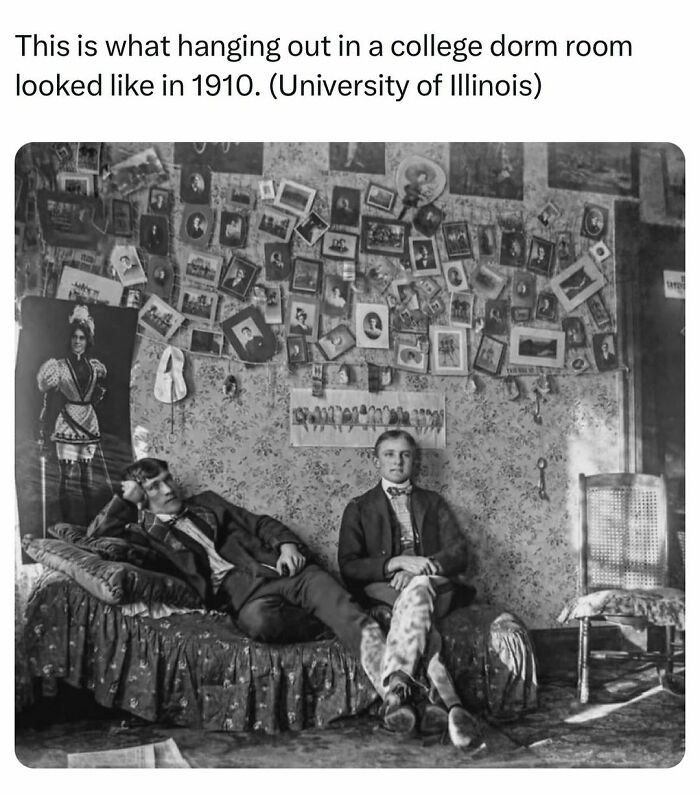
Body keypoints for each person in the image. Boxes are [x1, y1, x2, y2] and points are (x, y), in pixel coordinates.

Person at [88, 457, 388, 695]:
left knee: (336, 601)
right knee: (261, 623)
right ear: (141, 495)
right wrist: (124, 501)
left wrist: (286, 546)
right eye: (154, 486)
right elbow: (95, 542)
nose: (168, 489)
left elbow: (259, 523)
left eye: (168, 480)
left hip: (285, 571)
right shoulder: (143, 535)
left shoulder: (208, 503)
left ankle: (393, 685)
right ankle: (337, 621)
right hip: (244, 597)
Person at [338, 430, 478, 748]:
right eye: (389, 454)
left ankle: (396, 689)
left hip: (433, 584)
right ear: (377, 460)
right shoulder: (358, 507)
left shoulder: (434, 502)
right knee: (424, 621)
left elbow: (458, 553)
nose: (397, 461)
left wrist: (421, 565)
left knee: (419, 587)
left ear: (413, 460)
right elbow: (348, 565)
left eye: (404, 454)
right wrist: (395, 564)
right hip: (385, 588)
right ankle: (446, 704)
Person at [37, 305, 107, 525]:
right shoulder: (57, 367)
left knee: (87, 476)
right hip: (68, 423)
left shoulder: (95, 367)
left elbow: (95, 394)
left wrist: (97, 396)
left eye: (82, 338)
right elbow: (48, 401)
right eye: (74, 337)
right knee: (66, 476)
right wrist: (43, 428)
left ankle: (89, 521)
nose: (78, 341)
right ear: (69, 340)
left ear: (88, 341)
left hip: (89, 420)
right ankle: (65, 521)